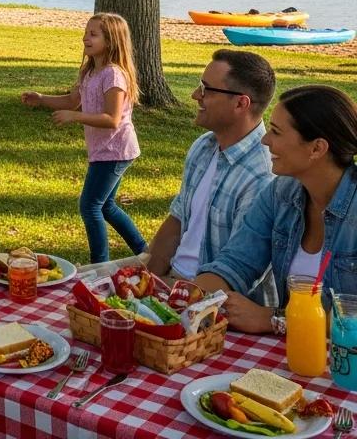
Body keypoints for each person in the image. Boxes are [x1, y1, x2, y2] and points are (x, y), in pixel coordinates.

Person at [194, 85, 357, 333]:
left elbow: (349, 319)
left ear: (317, 148)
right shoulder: (280, 193)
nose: (265, 139)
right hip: (291, 360)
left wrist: (273, 319)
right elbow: (235, 263)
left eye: (277, 132)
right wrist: (198, 297)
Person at [147, 50, 276, 303]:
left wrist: (176, 300)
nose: (196, 95)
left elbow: (241, 273)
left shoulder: (263, 176)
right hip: (175, 284)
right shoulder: (204, 146)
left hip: (214, 303)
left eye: (206, 89)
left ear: (241, 103)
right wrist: (142, 281)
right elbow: (178, 220)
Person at [21, 12, 147, 264]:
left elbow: (112, 119)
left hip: (115, 150)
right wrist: (42, 98)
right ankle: (146, 253)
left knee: (90, 206)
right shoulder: (90, 71)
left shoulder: (113, 75)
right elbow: (71, 100)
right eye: (85, 32)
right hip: (104, 150)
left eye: (93, 34)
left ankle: (99, 264)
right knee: (106, 206)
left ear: (110, 41)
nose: (85, 38)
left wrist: (74, 117)